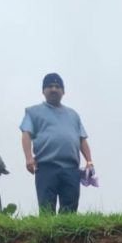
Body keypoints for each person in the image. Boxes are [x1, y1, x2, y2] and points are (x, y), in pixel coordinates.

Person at [20, 73, 94, 214]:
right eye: (50, 86)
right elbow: (26, 134)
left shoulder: (73, 115)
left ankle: (67, 236)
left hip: (71, 169)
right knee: (47, 208)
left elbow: (82, 139)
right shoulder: (33, 112)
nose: (54, 89)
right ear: (43, 90)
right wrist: (28, 157)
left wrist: (89, 161)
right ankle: (47, 236)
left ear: (63, 91)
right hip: (46, 167)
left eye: (57, 86)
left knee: (70, 209)